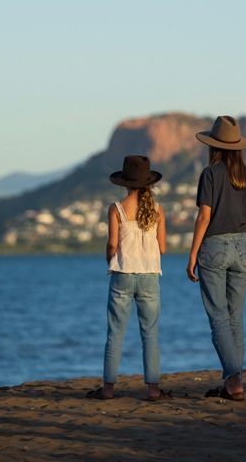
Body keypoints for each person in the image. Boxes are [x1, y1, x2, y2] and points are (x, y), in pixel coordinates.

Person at [186, 115, 246, 401]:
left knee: (218, 318)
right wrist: (243, 229)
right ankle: (233, 381)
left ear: (215, 146)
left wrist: (192, 254)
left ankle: (233, 381)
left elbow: (204, 216)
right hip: (241, 248)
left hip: (213, 247)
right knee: (236, 318)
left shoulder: (210, 174)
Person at [86, 155, 170, 401]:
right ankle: (153, 390)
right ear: (149, 183)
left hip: (122, 274)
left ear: (125, 182)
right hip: (149, 276)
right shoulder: (157, 210)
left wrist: (109, 258)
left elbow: (112, 244)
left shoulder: (117, 209)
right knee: (150, 334)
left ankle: (108, 389)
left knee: (115, 334)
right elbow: (162, 248)